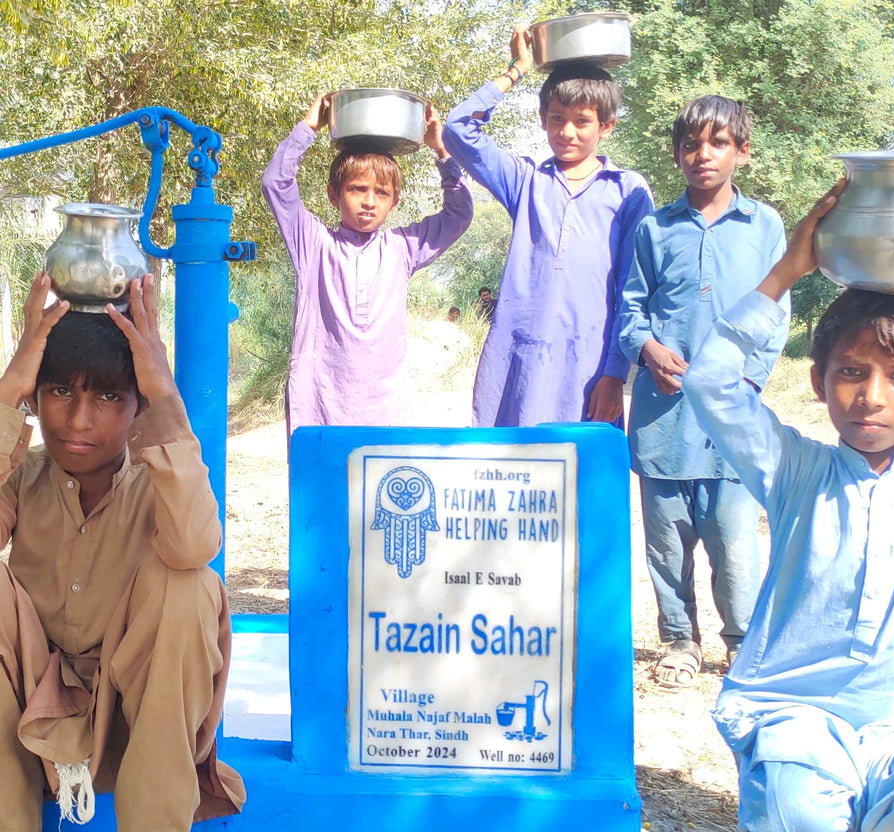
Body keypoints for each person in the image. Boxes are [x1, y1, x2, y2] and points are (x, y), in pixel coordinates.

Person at [682, 142, 894, 830]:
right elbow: (709, 380)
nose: (870, 397)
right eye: (850, 372)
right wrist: (786, 271)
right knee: (792, 807)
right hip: (798, 715)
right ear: (819, 381)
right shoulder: (796, 471)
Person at [0, 273, 244, 831]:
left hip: (135, 728)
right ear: (37, 399)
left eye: (109, 396)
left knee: (188, 582)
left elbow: (195, 545)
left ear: (138, 406)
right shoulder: (22, 476)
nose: (80, 420)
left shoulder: (159, 480)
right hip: (25, 727)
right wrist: (11, 382)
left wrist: (164, 390)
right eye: (60, 391)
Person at [619, 96, 788, 687]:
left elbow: (777, 311)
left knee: (733, 539)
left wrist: (746, 380)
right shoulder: (654, 228)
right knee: (666, 541)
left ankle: (741, 643)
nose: (703, 155)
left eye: (718, 143)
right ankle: (678, 641)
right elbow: (630, 309)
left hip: (732, 420)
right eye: (691, 144)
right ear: (677, 154)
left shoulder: (765, 226)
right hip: (662, 413)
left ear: (742, 151)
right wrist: (646, 348)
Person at [443, 26, 654, 427]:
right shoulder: (525, 182)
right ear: (542, 119)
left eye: (582, 121)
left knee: (578, 475)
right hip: (516, 359)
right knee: (512, 474)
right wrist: (517, 69)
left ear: (606, 126)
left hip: (589, 367)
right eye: (557, 119)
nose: (567, 132)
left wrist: (614, 374)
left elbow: (633, 288)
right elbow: (457, 129)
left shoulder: (628, 191)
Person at [263, 94, 473, 432]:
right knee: (321, 486)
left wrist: (442, 151)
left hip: (385, 412)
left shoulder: (402, 248)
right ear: (335, 195)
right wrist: (309, 127)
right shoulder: (314, 244)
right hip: (318, 406)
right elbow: (276, 183)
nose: (369, 202)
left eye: (381, 193)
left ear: (394, 202)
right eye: (358, 189)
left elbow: (459, 214)